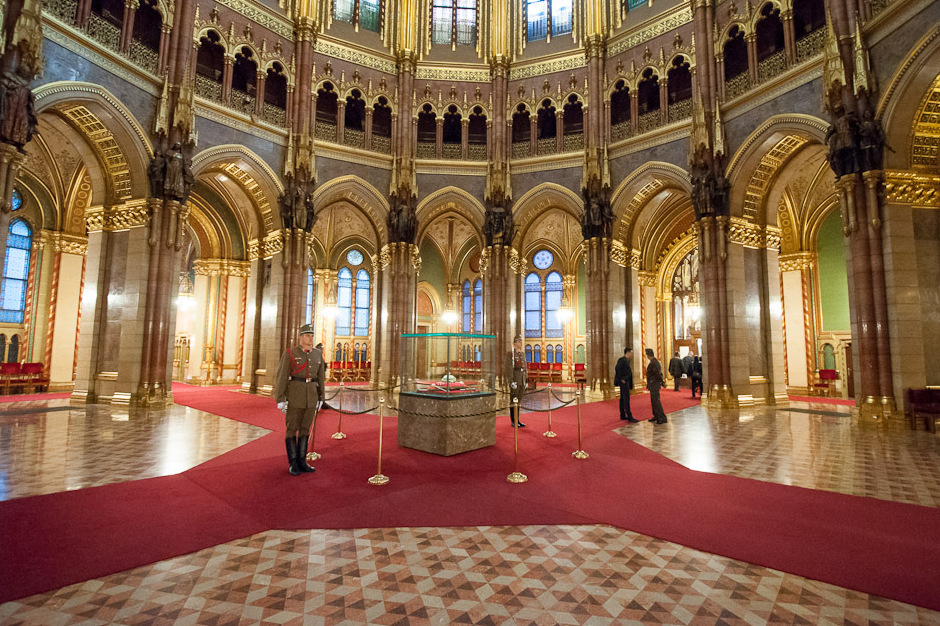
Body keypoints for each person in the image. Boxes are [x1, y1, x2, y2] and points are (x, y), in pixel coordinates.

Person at [274, 324, 326, 475]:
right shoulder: (290, 353)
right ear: (301, 337)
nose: (311, 338)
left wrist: (321, 397)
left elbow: (320, 377)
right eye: (308, 335)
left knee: (305, 428)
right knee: (292, 428)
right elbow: (282, 376)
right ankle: (293, 463)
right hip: (295, 395)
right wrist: (280, 398)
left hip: (311, 396)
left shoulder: (317, 354)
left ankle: (302, 461)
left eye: (312, 335)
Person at [507, 335, 527, 427]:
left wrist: (525, 380)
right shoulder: (511, 354)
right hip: (515, 380)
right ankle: (513, 421)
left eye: (521, 341)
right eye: (519, 341)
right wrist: (511, 381)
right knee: (513, 401)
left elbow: (525, 368)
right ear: (515, 343)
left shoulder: (522, 354)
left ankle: (518, 420)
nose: (521, 343)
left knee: (518, 402)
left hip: (521, 380)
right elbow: (509, 368)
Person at [614, 347, 637, 422]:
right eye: (631, 352)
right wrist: (621, 379)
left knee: (623, 398)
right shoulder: (622, 360)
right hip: (624, 382)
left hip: (626, 381)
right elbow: (617, 368)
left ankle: (623, 415)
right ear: (627, 352)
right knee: (626, 399)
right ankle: (629, 416)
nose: (632, 353)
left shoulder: (627, 360)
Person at [645, 348, 668, 424]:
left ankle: (662, 417)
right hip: (653, 384)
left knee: (656, 401)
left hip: (654, 384)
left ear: (648, 355)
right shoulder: (654, 362)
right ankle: (656, 415)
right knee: (654, 401)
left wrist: (662, 382)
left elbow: (658, 374)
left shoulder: (654, 363)